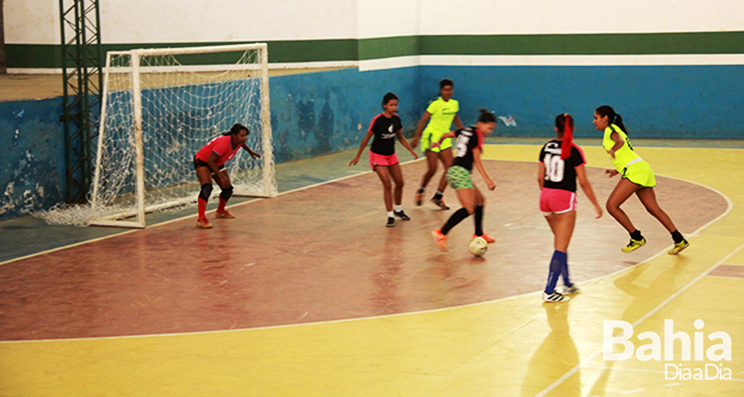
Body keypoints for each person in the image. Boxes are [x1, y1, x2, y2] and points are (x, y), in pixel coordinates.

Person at [593, 105, 689, 254]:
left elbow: (620, 143)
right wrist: (617, 170)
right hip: (640, 168)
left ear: (605, 118)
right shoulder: (613, 130)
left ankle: (636, 237)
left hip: (635, 171)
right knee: (653, 208)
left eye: (596, 118)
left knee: (612, 206)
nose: (594, 121)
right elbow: (627, 154)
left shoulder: (611, 130)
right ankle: (679, 239)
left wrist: (614, 148)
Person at [539, 113, 603, 303]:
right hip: (563, 198)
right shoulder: (574, 151)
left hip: (545, 197)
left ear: (555, 129)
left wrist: (546, 194)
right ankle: (549, 290)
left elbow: (539, 177)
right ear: (572, 129)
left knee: (561, 242)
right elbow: (583, 182)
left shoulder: (546, 147)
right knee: (561, 246)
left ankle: (566, 283)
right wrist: (596, 204)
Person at [431, 109, 497, 251]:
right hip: (460, 172)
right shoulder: (477, 135)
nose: (489, 131)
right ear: (481, 123)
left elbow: (446, 134)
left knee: (480, 201)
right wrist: (487, 180)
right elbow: (477, 160)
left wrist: (438, 142)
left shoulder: (465, 130)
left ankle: (478, 234)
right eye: (489, 128)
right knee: (468, 209)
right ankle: (441, 232)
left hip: (456, 171)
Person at [350, 92, 419, 227]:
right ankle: (390, 216)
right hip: (377, 156)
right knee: (387, 184)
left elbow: (400, 137)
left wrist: (410, 150)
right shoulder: (377, 120)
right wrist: (358, 155)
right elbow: (367, 138)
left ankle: (398, 210)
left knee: (400, 182)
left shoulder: (396, 120)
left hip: (391, 155)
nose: (393, 107)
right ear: (384, 105)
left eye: (395, 105)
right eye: (391, 105)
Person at [410, 78, 464, 211]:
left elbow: (455, 117)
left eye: (450, 89)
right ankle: (421, 190)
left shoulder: (454, 104)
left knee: (450, 169)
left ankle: (438, 196)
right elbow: (423, 121)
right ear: (441, 91)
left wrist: (463, 131)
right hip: (430, 137)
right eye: (445, 90)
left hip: (444, 138)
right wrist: (416, 137)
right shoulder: (435, 104)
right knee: (433, 169)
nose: (448, 92)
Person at [193, 123, 261, 229]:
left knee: (228, 188)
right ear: (233, 135)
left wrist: (250, 151)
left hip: (217, 162)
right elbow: (210, 161)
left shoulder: (238, 142)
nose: (244, 138)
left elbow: (242, 144)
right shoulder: (223, 144)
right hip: (203, 161)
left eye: (246, 135)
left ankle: (221, 211)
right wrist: (220, 176)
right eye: (242, 135)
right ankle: (201, 219)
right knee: (207, 187)